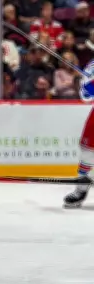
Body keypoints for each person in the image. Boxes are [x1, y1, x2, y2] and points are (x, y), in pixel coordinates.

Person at [63, 60, 94, 208]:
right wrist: (88, 87)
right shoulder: (92, 65)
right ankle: (81, 189)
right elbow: (85, 96)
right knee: (87, 152)